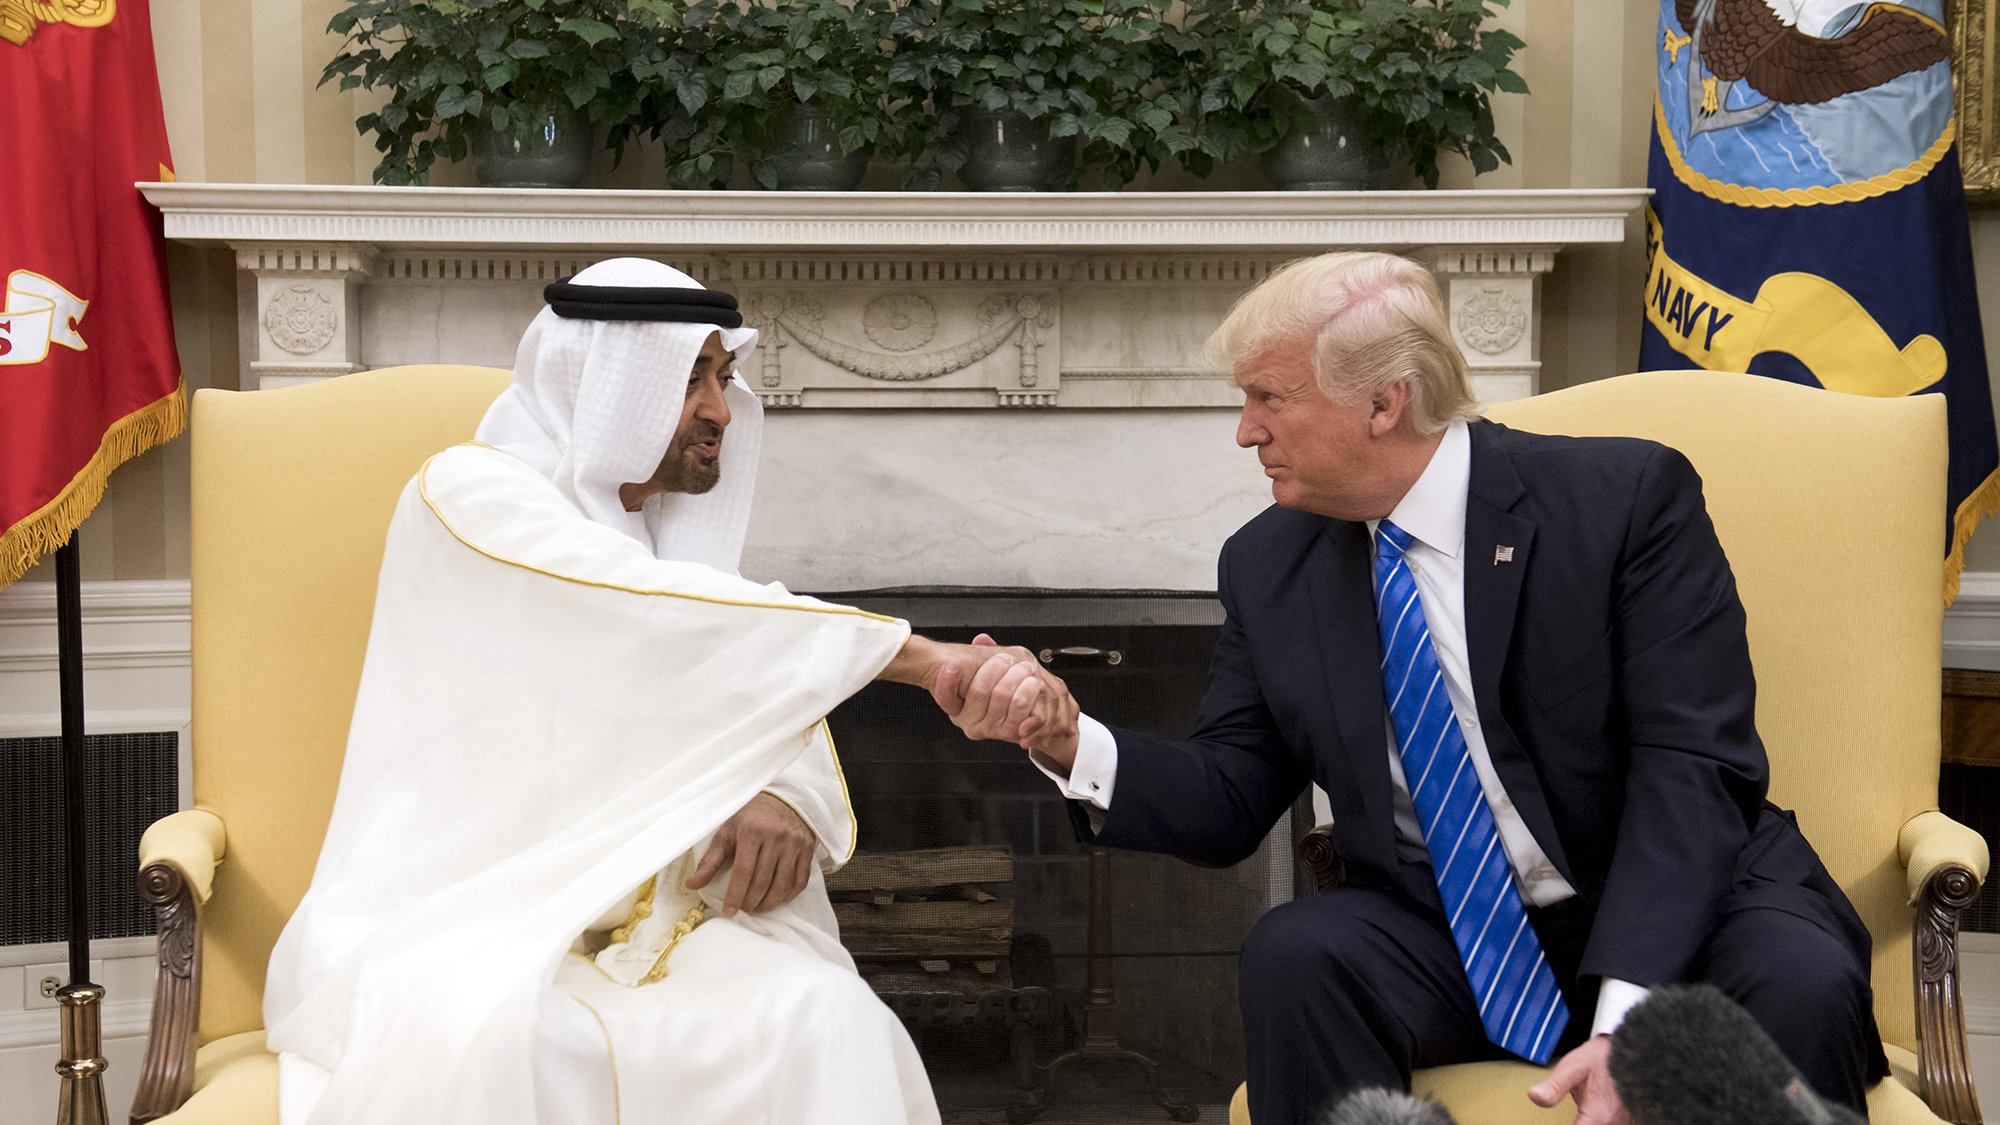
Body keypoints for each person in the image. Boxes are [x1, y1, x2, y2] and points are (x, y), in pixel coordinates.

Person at [945, 251, 1886, 1125]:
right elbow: (1231, 794)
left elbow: (1694, 767)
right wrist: (1068, 740)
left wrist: (1629, 1018)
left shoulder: (1624, 501)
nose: (1245, 431)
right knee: (1299, 954)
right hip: (1454, 935)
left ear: (1385, 402)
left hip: (1678, 904)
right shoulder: (1269, 564)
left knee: (1799, 975)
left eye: (1269, 397)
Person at [262, 257, 1061, 1125]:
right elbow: (661, 619)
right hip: (478, 919)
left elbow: (731, 668)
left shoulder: (663, 554)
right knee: (496, 1048)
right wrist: (925, 660)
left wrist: (781, 788)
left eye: (723, 377)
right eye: (690, 379)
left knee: (830, 1020)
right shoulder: (470, 495)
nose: (721, 408)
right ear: (604, 383)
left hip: (658, 924)